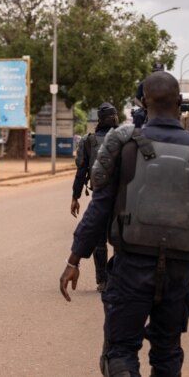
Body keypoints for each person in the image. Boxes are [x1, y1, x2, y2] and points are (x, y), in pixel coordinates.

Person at [59, 71, 189, 376]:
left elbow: (98, 208)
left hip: (130, 267)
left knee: (119, 352)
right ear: (180, 102)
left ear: (143, 102)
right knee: (168, 353)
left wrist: (74, 260)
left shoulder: (123, 143)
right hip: (179, 271)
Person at [71, 102, 118, 292]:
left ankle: (102, 279)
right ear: (115, 118)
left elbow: (81, 172)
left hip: (99, 196)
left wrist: (75, 197)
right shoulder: (125, 139)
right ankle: (115, 278)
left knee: (99, 241)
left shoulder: (88, 141)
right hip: (122, 198)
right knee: (120, 240)